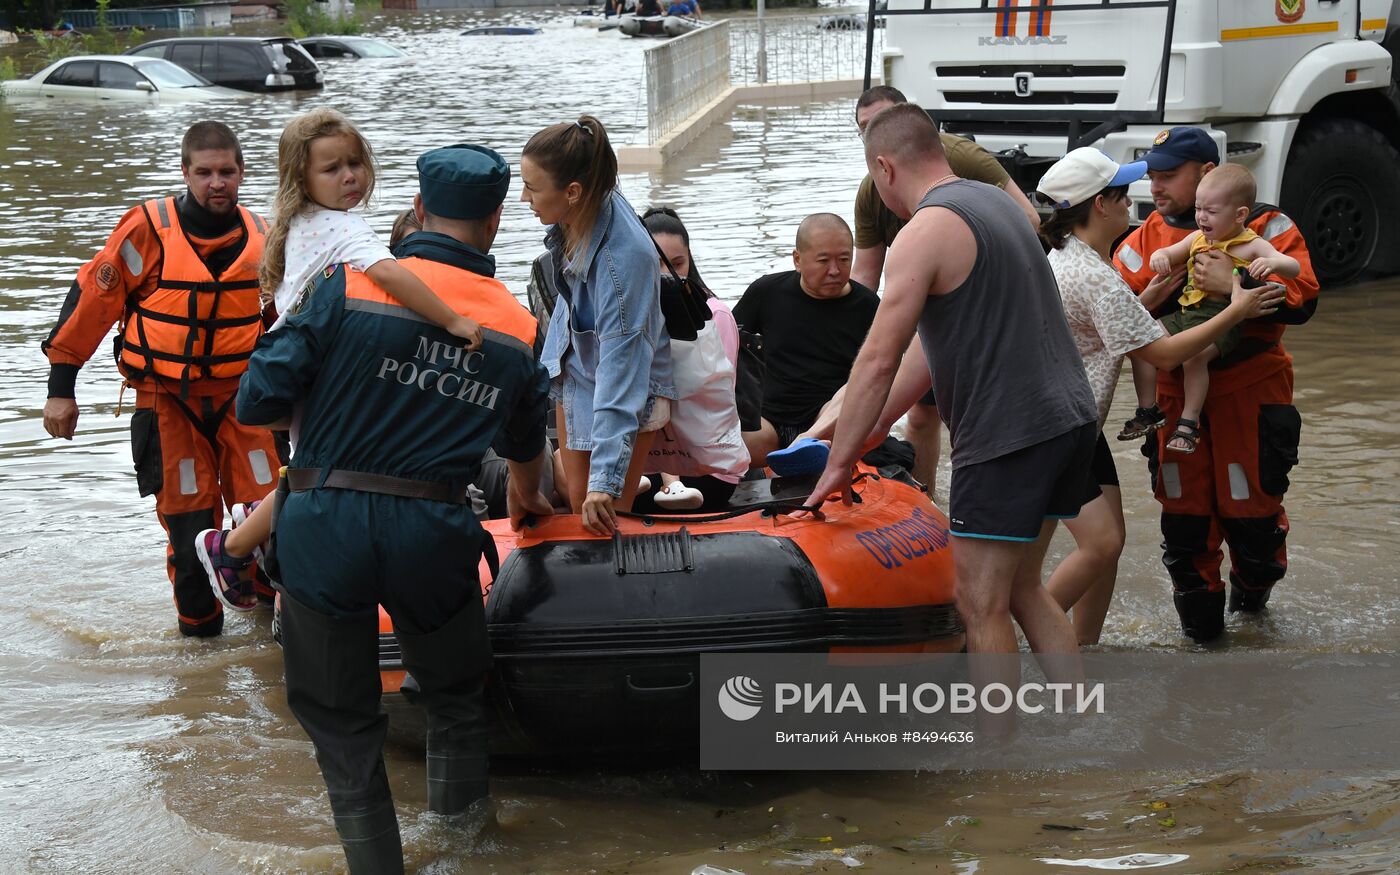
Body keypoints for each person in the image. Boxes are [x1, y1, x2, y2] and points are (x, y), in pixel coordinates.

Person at [237, 144, 553, 874]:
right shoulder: (517, 325)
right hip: (433, 530)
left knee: (345, 728)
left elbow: (257, 400)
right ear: (497, 218)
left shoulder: (344, 283)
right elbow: (523, 446)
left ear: (417, 207)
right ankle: (465, 847)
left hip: (325, 521)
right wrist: (530, 502)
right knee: (454, 698)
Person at [804, 103, 1097, 662]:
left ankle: (993, 750)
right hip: (1071, 421)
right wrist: (861, 426)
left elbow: (876, 360)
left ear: (884, 169)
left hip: (1010, 436)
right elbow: (926, 352)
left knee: (977, 603)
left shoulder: (923, 232)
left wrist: (839, 465)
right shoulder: (1000, 203)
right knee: (1023, 589)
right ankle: (1073, 726)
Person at [193, 108, 483, 613]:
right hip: (313, 372)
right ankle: (230, 546)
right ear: (301, 178)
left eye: (355, 163)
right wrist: (452, 320)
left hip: (293, 366)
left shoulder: (302, 221)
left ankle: (245, 529)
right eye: (332, 168)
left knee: (310, 467)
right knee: (312, 473)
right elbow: (389, 274)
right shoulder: (341, 229)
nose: (350, 176)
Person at [40, 121, 282, 638]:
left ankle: (272, 635)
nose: (217, 183)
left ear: (242, 173)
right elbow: (92, 302)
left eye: (226, 172)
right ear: (185, 173)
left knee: (272, 518)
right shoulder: (147, 230)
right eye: (205, 172)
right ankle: (200, 653)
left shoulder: (264, 237)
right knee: (191, 527)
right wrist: (61, 390)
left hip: (245, 400)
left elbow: (288, 320)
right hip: (168, 400)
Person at [1035, 148, 1285, 645]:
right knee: (1097, 546)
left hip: (1075, 423)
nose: (1136, 199)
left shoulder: (1068, 257)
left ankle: (1083, 649)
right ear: (1100, 205)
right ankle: (1024, 637)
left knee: (1102, 546)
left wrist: (1142, 298)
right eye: (1123, 193)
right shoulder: (1097, 277)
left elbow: (1109, 323)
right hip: (1060, 427)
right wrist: (1237, 309)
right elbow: (1166, 355)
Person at [1114, 127, 1318, 642]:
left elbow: (1303, 299)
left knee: (1253, 519)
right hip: (1174, 390)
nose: (1155, 187)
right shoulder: (1147, 238)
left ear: (1206, 173)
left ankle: (1253, 614)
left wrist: (1234, 280)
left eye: (1166, 176)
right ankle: (1201, 637)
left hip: (1251, 389)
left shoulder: (1268, 226)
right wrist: (1169, 285)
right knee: (1183, 521)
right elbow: (1115, 312)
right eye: (1151, 176)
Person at [847, 85, 1041, 492]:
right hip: (924, 314)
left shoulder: (962, 159)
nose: (873, 134)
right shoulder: (872, 189)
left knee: (974, 414)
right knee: (919, 414)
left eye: (881, 122)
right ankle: (927, 502)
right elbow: (865, 277)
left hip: (980, 309)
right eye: (864, 129)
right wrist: (856, 348)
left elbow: (1027, 220)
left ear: (909, 119)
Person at [522, 115, 676, 536]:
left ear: (572, 192)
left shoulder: (622, 264)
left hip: (623, 384)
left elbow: (622, 381)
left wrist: (606, 481)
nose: (523, 198)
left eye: (532, 188)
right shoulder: (588, 201)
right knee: (577, 504)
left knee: (605, 517)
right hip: (576, 367)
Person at [1139, 164, 1299, 454]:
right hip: (1188, 313)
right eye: (1198, 209)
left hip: (1222, 319)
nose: (1201, 217)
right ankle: (1147, 410)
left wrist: (1273, 263)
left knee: (1194, 357)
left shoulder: (1251, 244)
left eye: (1210, 211)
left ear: (1239, 215)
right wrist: (1160, 258)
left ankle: (1189, 422)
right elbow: (1167, 253)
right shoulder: (1197, 238)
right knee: (1142, 340)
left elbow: (1294, 266)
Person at [732, 213, 879, 474]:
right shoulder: (766, 292)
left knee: (858, 392)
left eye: (844, 259)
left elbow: (881, 373)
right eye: (823, 261)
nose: (834, 270)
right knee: (736, 435)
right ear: (797, 260)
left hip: (828, 418)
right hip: (769, 422)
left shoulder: (868, 306)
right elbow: (727, 346)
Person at [637, 206, 742, 512]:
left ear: (690, 260)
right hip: (644, 466)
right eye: (655, 265)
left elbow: (717, 400)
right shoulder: (626, 319)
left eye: (677, 264)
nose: (668, 275)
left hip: (705, 468)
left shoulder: (714, 316)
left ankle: (671, 482)